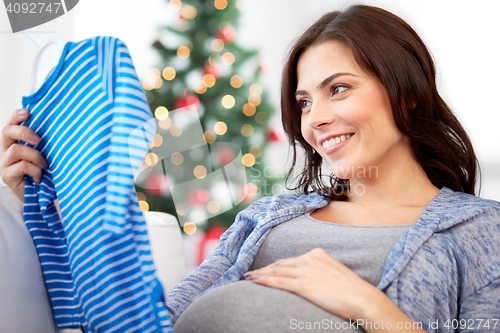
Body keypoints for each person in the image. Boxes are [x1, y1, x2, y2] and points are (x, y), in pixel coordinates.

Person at [1, 4, 499, 333]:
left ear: (408, 98)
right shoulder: (267, 215)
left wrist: (367, 305)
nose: (316, 118)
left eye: (339, 89)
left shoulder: (483, 230)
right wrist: (45, 209)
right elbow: (164, 318)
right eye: (303, 102)